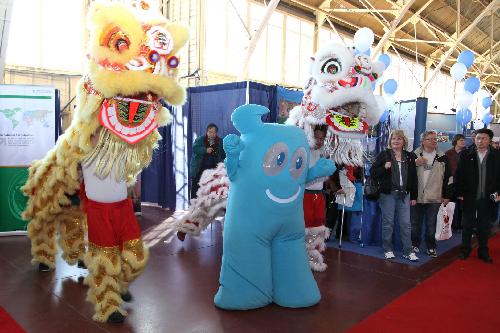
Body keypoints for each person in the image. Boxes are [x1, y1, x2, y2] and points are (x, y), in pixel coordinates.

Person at [371, 130, 419, 261]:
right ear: (390, 141)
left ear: (404, 141)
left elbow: (414, 178)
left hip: (405, 195)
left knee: (405, 224)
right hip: (388, 195)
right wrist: (384, 167)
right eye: (393, 139)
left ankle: (408, 251)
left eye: (399, 139)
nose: (396, 141)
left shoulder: (410, 156)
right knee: (388, 223)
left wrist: (414, 196)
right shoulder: (384, 155)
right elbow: (373, 173)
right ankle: (388, 249)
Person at [455, 128, 500, 263]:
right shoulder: (466, 154)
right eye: (478, 138)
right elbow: (459, 175)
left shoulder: (497, 155)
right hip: (469, 196)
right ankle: (465, 250)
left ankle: (483, 251)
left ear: (489, 140)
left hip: (488, 197)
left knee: (484, 226)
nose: (480, 141)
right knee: (467, 224)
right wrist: (459, 192)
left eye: (483, 138)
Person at [411, 131, 452, 258]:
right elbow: (409, 178)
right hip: (417, 197)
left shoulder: (443, 157)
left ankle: (431, 247)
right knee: (415, 224)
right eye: (430, 139)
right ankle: (414, 244)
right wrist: (414, 163)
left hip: (435, 197)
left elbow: (448, 178)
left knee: (431, 224)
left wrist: (446, 195)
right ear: (422, 141)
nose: (433, 141)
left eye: (435, 139)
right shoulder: (413, 155)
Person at [303, 126, 331, 271]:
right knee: (304, 226)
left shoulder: (323, 153)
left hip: (318, 195)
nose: (319, 141)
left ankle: (314, 258)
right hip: (304, 194)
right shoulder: (303, 151)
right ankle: (301, 259)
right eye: (317, 138)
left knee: (318, 225)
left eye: (322, 138)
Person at [190, 124, 226, 198]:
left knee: (212, 188)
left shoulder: (220, 141)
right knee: (196, 187)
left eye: (214, 132)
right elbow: (195, 149)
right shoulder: (200, 139)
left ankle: (210, 207)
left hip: (214, 169)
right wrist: (205, 150)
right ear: (207, 132)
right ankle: (193, 206)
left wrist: (222, 163)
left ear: (216, 133)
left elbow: (223, 154)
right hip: (200, 167)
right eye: (210, 132)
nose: (212, 134)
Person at [446, 134, 466, 230]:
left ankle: (460, 225)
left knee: (461, 206)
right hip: (451, 183)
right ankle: (450, 225)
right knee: (451, 204)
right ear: (456, 141)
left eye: (464, 140)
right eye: (461, 140)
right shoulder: (448, 153)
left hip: (463, 183)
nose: (463, 142)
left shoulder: (467, 153)